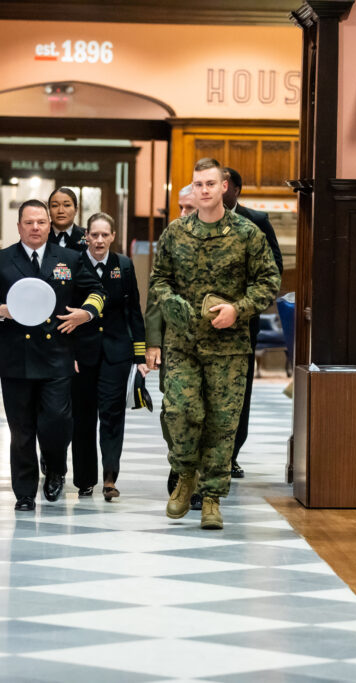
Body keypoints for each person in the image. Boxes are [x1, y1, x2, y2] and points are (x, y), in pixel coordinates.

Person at [149, 158, 280, 530]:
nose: (203, 190)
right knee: (181, 412)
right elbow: (159, 280)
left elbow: (269, 281)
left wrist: (238, 309)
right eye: (197, 185)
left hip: (228, 346)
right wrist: (170, 303)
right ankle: (184, 474)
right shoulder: (176, 233)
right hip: (183, 344)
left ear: (224, 187)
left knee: (223, 424)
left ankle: (211, 499)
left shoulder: (247, 233)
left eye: (210, 184)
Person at [0, 199, 106, 511]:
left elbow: (97, 292)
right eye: (29, 222)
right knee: (21, 430)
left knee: (57, 421)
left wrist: (85, 314)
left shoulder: (70, 259)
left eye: (41, 222)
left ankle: (56, 468)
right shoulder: (1, 260)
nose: (36, 227)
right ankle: (24, 492)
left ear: (49, 226)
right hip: (16, 356)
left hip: (56, 354)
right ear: (19, 226)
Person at [71, 212, 148, 502]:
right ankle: (85, 479)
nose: (99, 240)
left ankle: (109, 478)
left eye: (105, 235)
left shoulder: (124, 266)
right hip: (83, 353)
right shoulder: (76, 263)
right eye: (94, 235)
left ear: (113, 236)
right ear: (86, 237)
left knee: (113, 416)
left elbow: (134, 312)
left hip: (116, 352)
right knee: (84, 417)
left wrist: (139, 356)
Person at [222, 167, 283, 479]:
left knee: (239, 391)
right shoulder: (199, 222)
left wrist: (246, 301)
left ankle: (231, 453)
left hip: (243, 323)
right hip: (206, 323)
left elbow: (274, 268)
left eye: (223, 183)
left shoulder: (256, 221)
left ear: (236, 189)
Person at [146, 186, 195, 497]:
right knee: (174, 410)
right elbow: (156, 295)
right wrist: (153, 344)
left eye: (188, 208)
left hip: (212, 345)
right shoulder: (172, 238)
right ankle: (179, 463)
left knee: (206, 414)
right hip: (175, 344)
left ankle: (197, 477)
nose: (182, 214)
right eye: (180, 207)